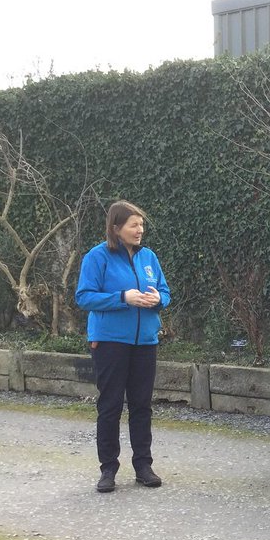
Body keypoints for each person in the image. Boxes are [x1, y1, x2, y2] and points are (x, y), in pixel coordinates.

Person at [75, 200, 171, 493]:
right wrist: (122, 297)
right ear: (116, 228)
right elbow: (84, 297)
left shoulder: (149, 257)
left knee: (142, 405)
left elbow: (165, 292)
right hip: (110, 343)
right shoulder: (97, 257)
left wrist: (159, 300)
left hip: (145, 342)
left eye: (141, 225)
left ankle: (143, 466)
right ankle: (108, 469)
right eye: (134, 225)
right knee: (111, 405)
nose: (140, 230)